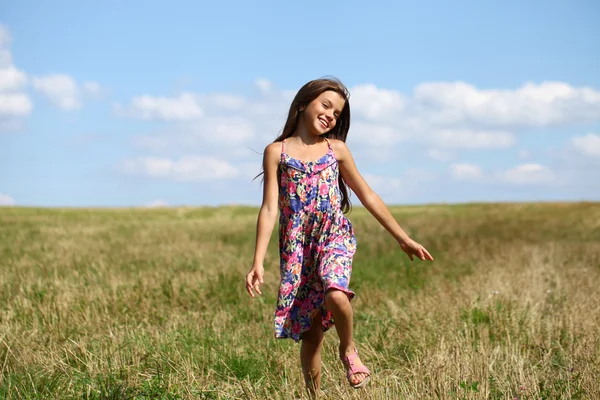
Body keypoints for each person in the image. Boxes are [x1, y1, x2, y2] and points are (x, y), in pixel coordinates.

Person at [245, 77, 433, 396]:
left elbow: (368, 195)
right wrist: (257, 262)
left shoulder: (337, 150)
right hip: (297, 250)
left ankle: (348, 349)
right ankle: (312, 394)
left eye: (337, 113)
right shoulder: (276, 152)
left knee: (336, 293)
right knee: (312, 335)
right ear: (303, 104)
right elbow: (268, 209)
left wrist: (402, 237)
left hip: (333, 237)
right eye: (326, 105)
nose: (331, 115)